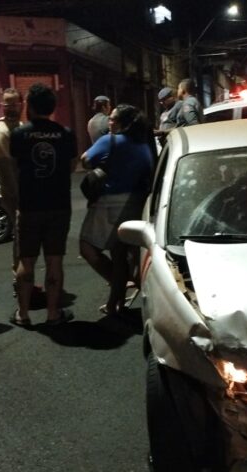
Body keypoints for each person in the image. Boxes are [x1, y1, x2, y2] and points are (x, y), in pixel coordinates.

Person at [9, 83, 77, 327]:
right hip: (59, 205)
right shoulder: (66, 134)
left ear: (30, 106)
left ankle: (23, 314)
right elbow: (71, 167)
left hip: (29, 206)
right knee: (54, 260)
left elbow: (16, 168)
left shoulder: (18, 135)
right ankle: (52, 314)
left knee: (26, 261)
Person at [80, 104, 154, 315]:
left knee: (88, 248)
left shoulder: (109, 141)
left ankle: (119, 285)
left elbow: (85, 160)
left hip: (110, 203)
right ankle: (115, 303)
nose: (109, 122)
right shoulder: (143, 144)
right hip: (136, 203)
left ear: (125, 123)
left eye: (113, 119)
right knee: (119, 253)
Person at [0, 88, 23, 289]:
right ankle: (20, 281)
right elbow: (6, 172)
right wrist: (19, 199)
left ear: (21, 103)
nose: (11, 108)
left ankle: (23, 279)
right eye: (7, 104)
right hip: (14, 195)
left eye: (14, 103)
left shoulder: (17, 126)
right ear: (1, 106)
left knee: (23, 239)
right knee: (20, 240)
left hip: (20, 192)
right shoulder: (1, 134)